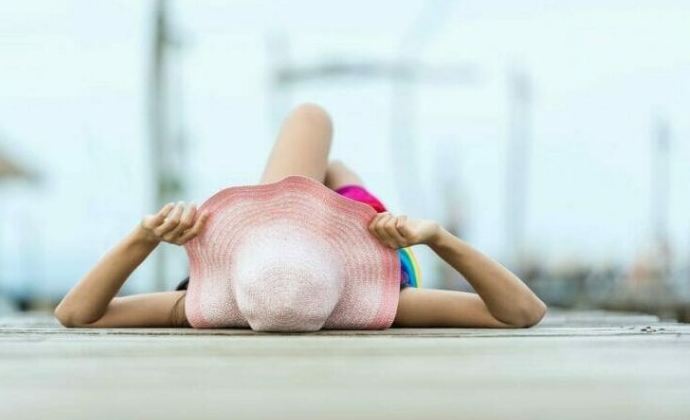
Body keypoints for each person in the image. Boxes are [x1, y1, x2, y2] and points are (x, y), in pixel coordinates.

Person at [54, 104, 546, 329]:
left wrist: (143, 238)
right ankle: (332, 183)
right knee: (313, 121)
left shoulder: (199, 311)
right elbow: (525, 313)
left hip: (340, 260)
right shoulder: (393, 304)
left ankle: (325, 182)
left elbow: (75, 313)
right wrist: (438, 238)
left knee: (315, 135)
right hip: (375, 250)